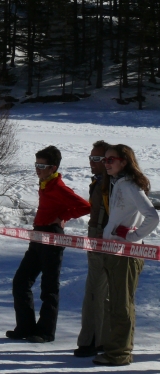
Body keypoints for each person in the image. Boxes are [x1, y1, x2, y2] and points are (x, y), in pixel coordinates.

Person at [7, 146, 90, 343]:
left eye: (42, 166)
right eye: (36, 165)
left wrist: (63, 216)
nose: (37, 169)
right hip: (38, 235)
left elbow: (85, 206)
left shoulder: (59, 187)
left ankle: (45, 331)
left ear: (53, 167)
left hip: (52, 237)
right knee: (21, 281)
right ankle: (26, 326)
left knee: (49, 286)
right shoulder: (45, 183)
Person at [94, 145, 159, 366]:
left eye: (111, 159)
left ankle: (119, 353)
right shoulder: (117, 183)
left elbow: (152, 216)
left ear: (124, 161)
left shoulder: (130, 185)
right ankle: (116, 348)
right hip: (114, 252)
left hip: (126, 254)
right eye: (105, 159)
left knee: (122, 304)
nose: (107, 163)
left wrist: (133, 236)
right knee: (116, 302)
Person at [74, 140, 111, 357]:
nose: (92, 162)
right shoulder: (98, 182)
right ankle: (90, 338)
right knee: (93, 290)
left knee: (100, 290)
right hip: (95, 237)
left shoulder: (112, 183)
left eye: (97, 158)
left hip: (105, 239)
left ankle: (99, 340)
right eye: (91, 157)